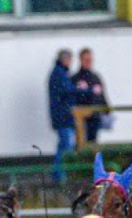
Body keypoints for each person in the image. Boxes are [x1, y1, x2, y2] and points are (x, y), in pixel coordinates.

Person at [48, 49, 80, 183]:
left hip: (61, 116)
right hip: (63, 117)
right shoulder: (60, 74)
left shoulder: (58, 73)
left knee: (63, 145)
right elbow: (67, 91)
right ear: (65, 59)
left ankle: (58, 174)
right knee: (66, 146)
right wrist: (84, 89)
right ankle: (60, 175)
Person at [72, 48, 108, 143]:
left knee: (93, 142)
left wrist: (107, 111)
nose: (88, 62)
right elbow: (73, 97)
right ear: (80, 60)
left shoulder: (96, 77)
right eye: (86, 59)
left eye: (90, 59)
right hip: (82, 118)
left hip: (95, 117)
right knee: (81, 143)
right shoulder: (75, 78)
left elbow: (102, 95)